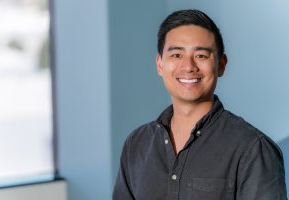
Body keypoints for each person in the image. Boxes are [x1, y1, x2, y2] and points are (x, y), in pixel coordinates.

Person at [113, 9, 287, 200]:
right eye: (176, 55)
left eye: (201, 56)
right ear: (160, 64)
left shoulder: (253, 148)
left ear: (221, 65)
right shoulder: (137, 144)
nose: (188, 66)